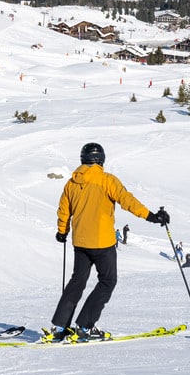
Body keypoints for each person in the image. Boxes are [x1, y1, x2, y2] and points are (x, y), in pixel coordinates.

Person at [48, 142, 168, 341]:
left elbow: (64, 210)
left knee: (77, 282)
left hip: (80, 242)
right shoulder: (107, 180)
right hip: (103, 242)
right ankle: (84, 327)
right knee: (107, 281)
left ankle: (60, 326)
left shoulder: (72, 183)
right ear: (101, 159)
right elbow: (127, 201)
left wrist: (62, 231)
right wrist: (151, 216)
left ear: (83, 159)